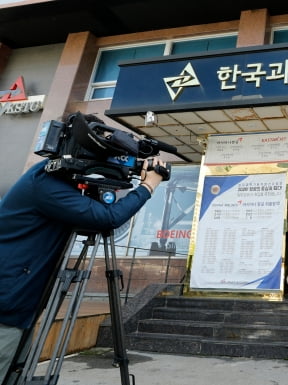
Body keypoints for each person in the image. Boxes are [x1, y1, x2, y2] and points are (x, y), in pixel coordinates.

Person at [0, 113, 167, 384]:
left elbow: (103, 216)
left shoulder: (53, 179)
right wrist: (148, 185)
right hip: (6, 305)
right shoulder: (46, 184)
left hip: (19, 304)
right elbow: (107, 218)